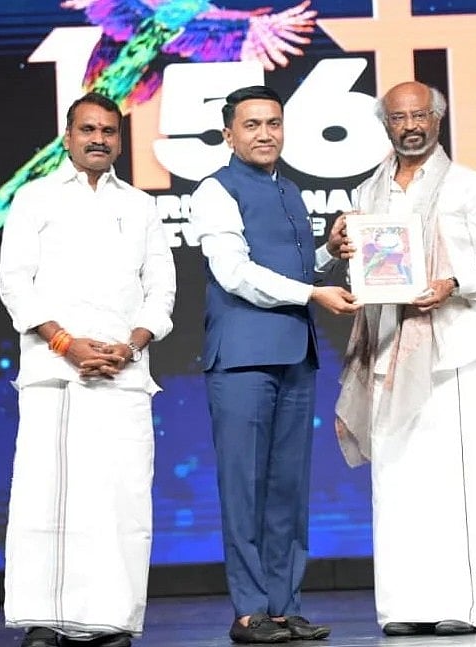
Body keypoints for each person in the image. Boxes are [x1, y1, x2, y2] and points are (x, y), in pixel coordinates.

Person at [332, 81, 476, 637]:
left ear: (437, 119)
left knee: (457, 480)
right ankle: (405, 606)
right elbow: (368, 271)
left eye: (419, 115)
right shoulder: (369, 193)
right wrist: (349, 256)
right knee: (397, 481)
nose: (409, 125)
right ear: (385, 125)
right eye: (397, 118)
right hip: (387, 347)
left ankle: (468, 604)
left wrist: (455, 282)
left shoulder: (467, 185)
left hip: (448, 350)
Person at [0, 91, 176, 647]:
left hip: (124, 374)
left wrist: (132, 344)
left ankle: (111, 619)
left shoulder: (141, 206)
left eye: (110, 132)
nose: (99, 139)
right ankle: (44, 620)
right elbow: (14, 284)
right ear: (68, 136)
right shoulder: (34, 198)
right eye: (88, 130)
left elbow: (162, 288)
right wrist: (66, 343)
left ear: (121, 139)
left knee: (121, 500)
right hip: (55, 372)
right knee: (44, 497)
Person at [187, 85, 359, 644]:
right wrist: (314, 294)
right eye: (253, 125)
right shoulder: (216, 191)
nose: (266, 134)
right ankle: (248, 611)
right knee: (244, 488)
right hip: (241, 359)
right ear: (228, 135)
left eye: (274, 123)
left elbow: (295, 266)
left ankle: (285, 607)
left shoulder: (288, 189)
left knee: (288, 488)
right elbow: (236, 274)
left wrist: (329, 251)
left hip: (293, 354)